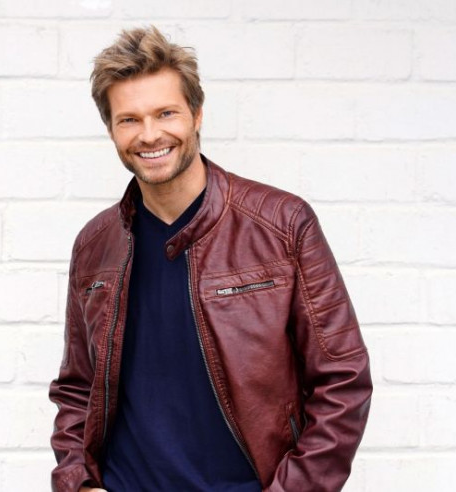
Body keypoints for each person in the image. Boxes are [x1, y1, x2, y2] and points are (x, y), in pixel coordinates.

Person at [49, 26, 372, 492]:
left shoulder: (282, 225)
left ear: (197, 114)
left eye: (166, 113)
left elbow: (343, 380)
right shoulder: (95, 245)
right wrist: (79, 483)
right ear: (111, 130)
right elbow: (78, 388)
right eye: (129, 119)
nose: (150, 134)